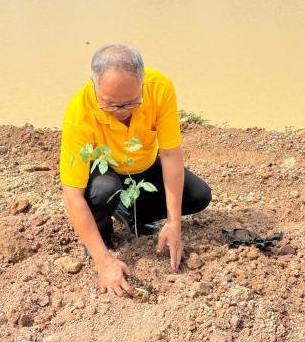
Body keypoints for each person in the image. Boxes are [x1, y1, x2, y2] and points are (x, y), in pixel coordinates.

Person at [60, 43, 211, 297]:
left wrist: (174, 223)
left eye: (131, 103)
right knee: (103, 190)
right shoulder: (79, 114)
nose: (122, 112)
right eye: (111, 105)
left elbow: (171, 154)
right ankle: (102, 234)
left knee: (198, 195)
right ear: (94, 84)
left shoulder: (160, 89)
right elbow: (72, 193)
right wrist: (103, 261)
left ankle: (130, 215)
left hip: (143, 166)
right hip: (104, 173)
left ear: (142, 82)